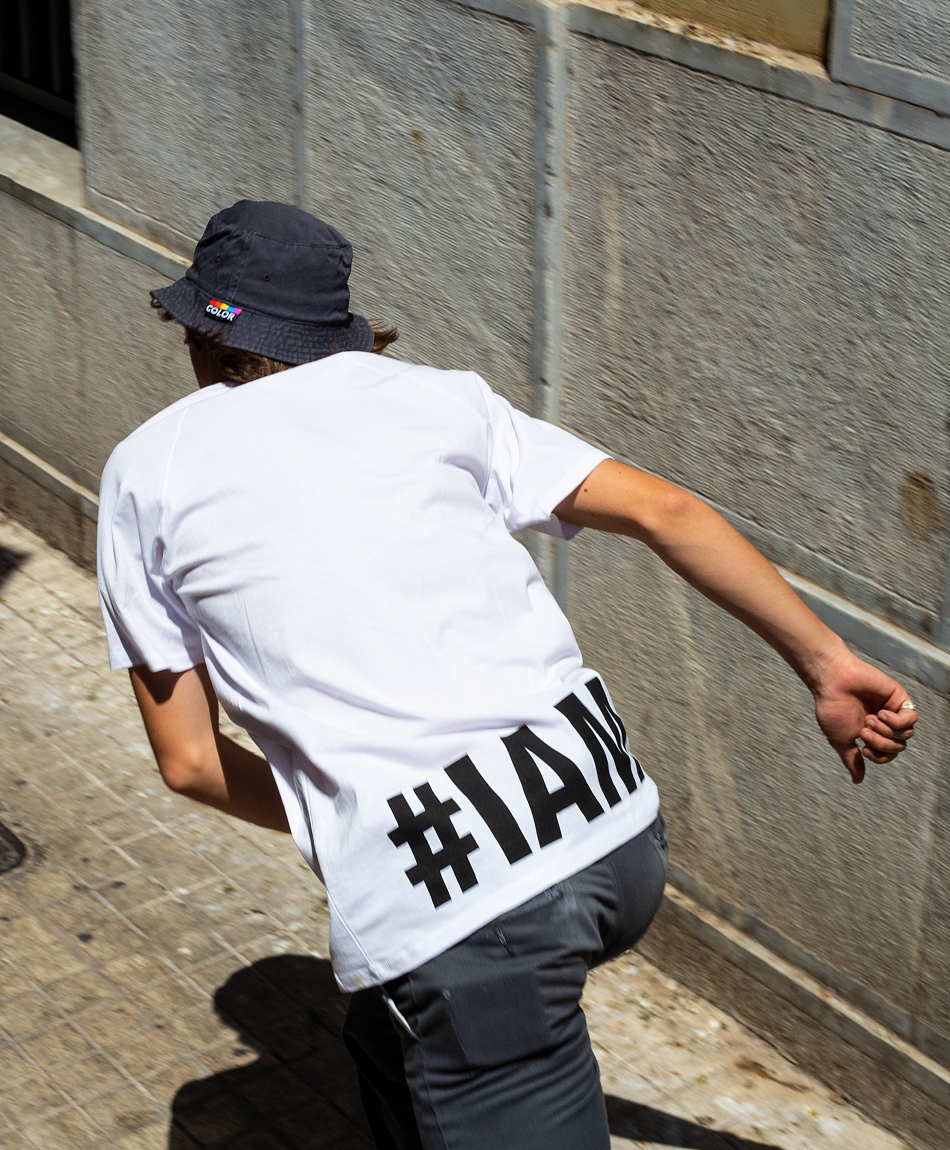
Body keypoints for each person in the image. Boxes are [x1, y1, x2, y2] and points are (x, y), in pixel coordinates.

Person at [97, 199, 917, 1150]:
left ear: (200, 334)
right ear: (336, 332)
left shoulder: (145, 472)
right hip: (616, 834)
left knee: (447, 1001)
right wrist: (828, 664)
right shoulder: (439, 396)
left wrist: (364, 822)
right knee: (388, 1036)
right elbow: (668, 512)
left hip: (472, 924)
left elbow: (191, 762)